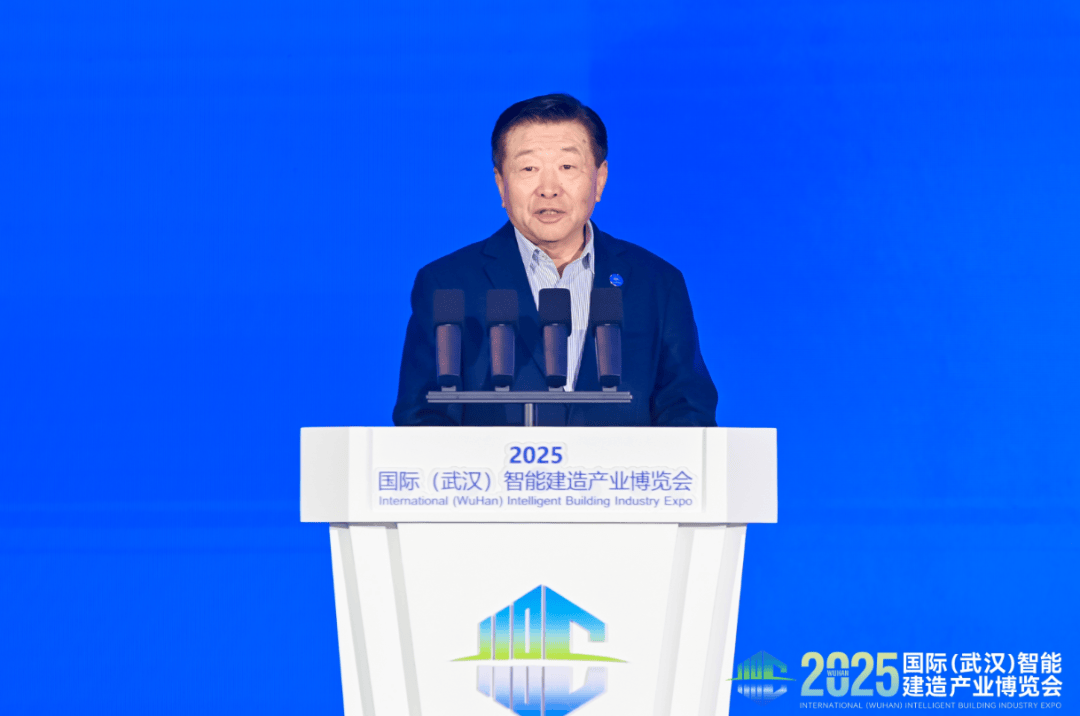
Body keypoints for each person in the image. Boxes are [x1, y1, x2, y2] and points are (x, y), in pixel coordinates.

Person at [392, 93, 717, 426]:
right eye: (529, 168)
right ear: (501, 184)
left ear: (600, 179)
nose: (548, 188)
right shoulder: (447, 284)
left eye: (567, 167)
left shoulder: (656, 283)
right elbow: (422, 417)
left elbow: (688, 409)